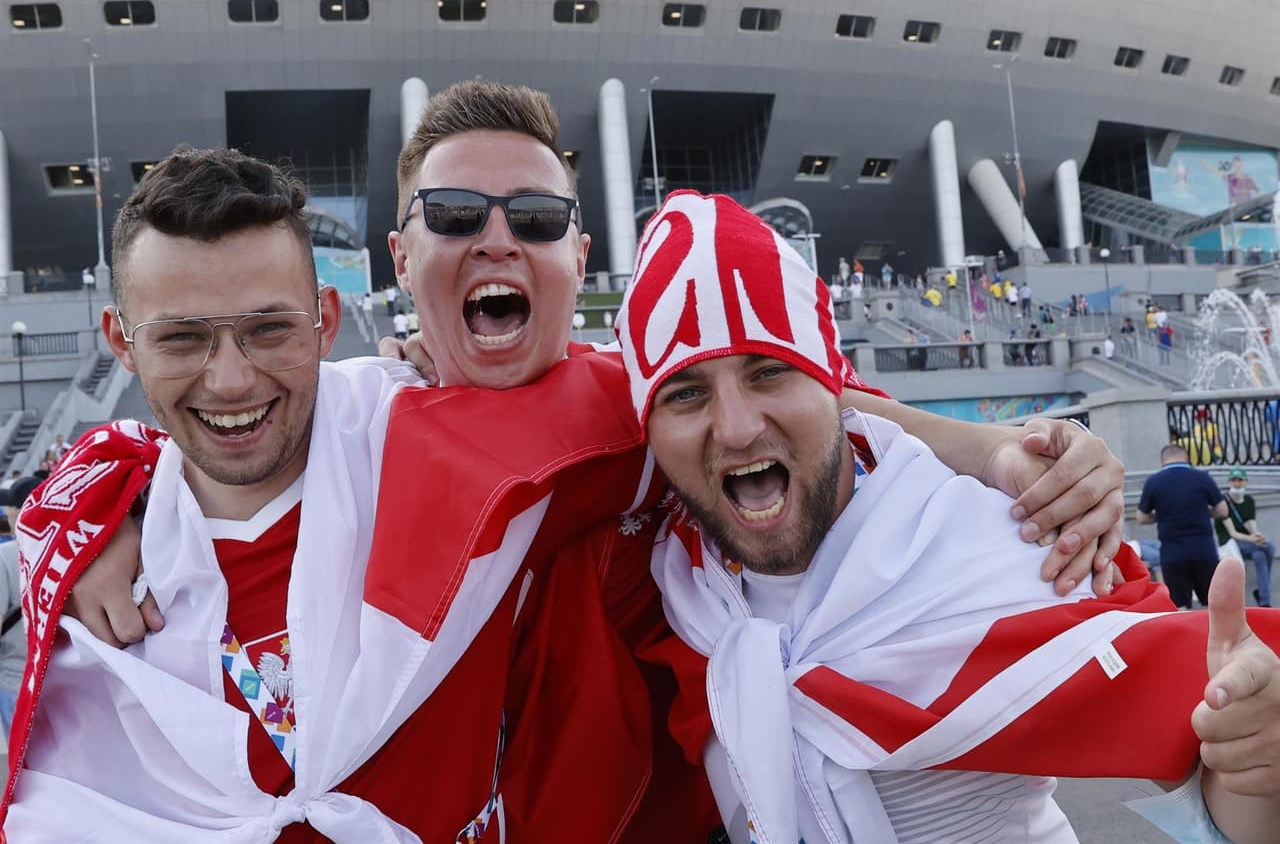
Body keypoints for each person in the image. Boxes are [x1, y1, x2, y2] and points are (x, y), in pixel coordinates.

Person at [17, 84, 1131, 838]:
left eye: (535, 217)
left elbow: (814, 408)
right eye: (455, 214)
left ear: (575, 255)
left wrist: (999, 451)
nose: (497, 238)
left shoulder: (649, 413)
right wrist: (82, 505)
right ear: (399, 259)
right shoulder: (358, 421)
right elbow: (171, 449)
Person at [3, 145, 676, 842]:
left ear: (326, 319)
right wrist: (95, 501)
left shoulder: (459, 457)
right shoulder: (80, 581)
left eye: (269, 329)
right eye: (181, 338)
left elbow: (688, 417)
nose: (230, 380)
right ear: (122, 341)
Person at [615, 192, 1280, 844]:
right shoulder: (675, 582)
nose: (734, 428)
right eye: (687, 392)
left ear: (835, 389)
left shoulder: (1024, 539)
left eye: (769, 373)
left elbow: (1212, 789)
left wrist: (1257, 761)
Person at [1138, 444, 1229, 609]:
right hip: (1204, 551)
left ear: (1162, 461)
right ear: (1186, 458)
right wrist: (1203, 511)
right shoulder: (1202, 477)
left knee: (1180, 607)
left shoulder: (1154, 481)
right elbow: (1223, 510)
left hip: (1173, 554)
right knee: (1213, 604)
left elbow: (1141, 517)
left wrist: (1162, 515)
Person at [0, 477, 37, 738]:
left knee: (25, 768)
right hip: (61, 676)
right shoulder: (65, 549)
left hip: (16, 680)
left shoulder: (5, 556)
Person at [1217, 468, 1275, 607]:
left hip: (1246, 541)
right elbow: (1232, 533)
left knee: (1260, 556)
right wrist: (1253, 540)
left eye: (1240, 480)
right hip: (1230, 542)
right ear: (1230, 481)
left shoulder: (1249, 500)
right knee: (1270, 547)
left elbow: (1252, 524)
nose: (1237, 483)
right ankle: (1264, 592)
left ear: (1246, 482)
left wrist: (1258, 536)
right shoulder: (1224, 501)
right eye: (1234, 480)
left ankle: (1264, 599)